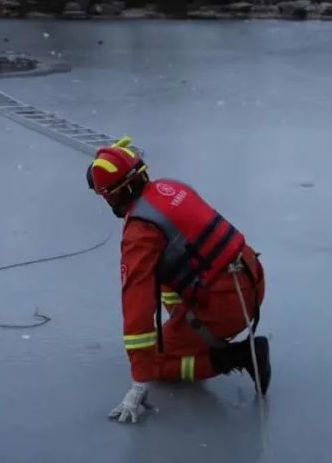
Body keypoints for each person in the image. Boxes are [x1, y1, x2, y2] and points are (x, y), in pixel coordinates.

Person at [87, 137, 270, 424]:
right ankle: (193, 334)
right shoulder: (170, 188)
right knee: (172, 273)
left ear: (115, 195)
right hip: (251, 278)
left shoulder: (140, 233)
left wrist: (140, 380)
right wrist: (180, 320)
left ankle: (240, 356)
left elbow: (137, 309)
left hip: (226, 303)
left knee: (158, 361)